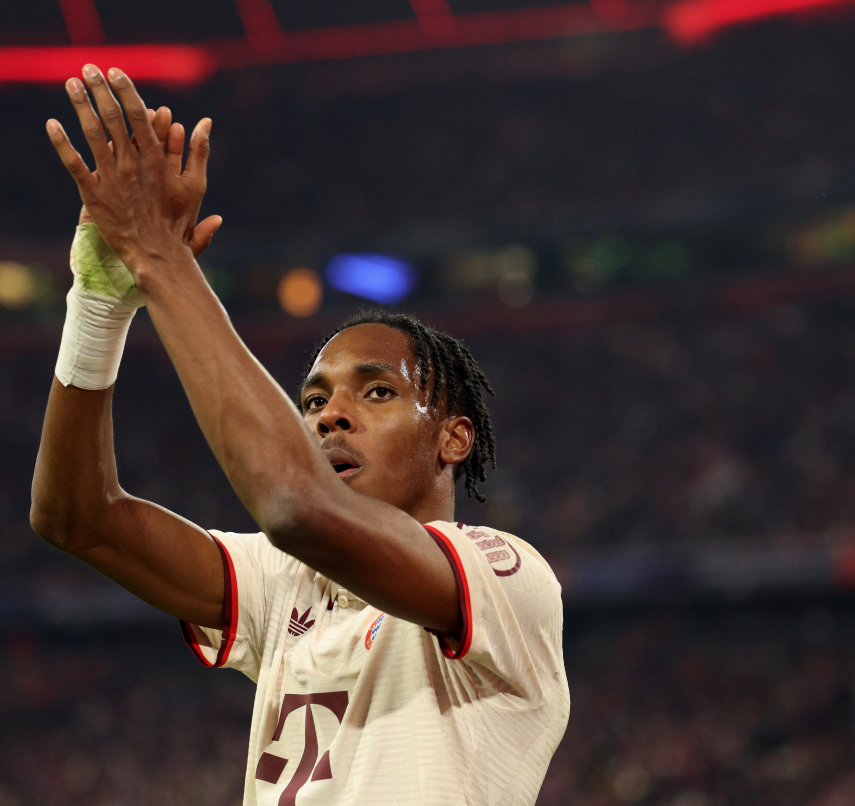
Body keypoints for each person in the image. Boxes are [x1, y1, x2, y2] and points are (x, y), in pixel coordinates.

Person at [29, 64, 569, 805]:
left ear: (452, 439)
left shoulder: (506, 576)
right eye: (313, 402)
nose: (329, 416)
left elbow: (294, 506)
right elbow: (76, 518)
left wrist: (160, 259)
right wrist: (97, 308)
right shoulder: (290, 584)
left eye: (377, 391)